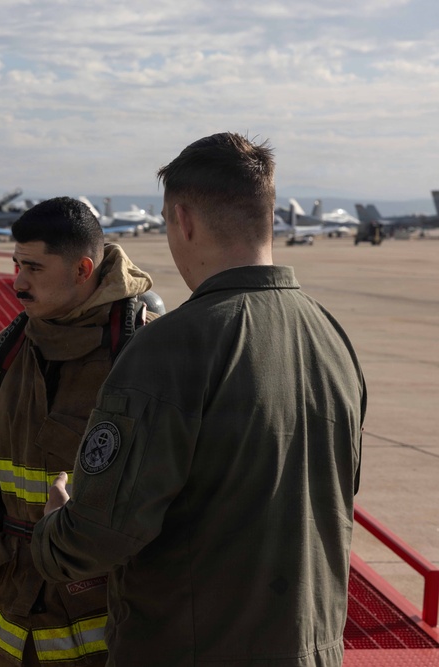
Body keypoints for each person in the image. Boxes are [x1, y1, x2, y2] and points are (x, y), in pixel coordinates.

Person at [32, 133, 366, 666]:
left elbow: (102, 530)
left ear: (183, 220)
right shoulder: (332, 339)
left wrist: (54, 531)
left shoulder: (170, 346)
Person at [0, 196, 158, 666]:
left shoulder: (147, 355)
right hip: (2, 615)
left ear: (81, 269)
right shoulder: (4, 354)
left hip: (103, 623)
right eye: (16, 265)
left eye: (33, 267)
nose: (18, 283)